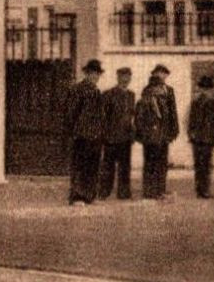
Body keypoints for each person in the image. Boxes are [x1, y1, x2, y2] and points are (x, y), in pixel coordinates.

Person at [64, 59, 108, 205]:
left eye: (97, 74)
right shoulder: (78, 89)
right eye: (93, 73)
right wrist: (75, 131)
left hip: (96, 136)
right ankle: (77, 197)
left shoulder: (97, 91)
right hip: (82, 135)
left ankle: (89, 196)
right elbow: (71, 113)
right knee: (80, 166)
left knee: (93, 165)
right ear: (87, 74)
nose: (95, 76)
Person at [133, 63, 179, 199]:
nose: (162, 76)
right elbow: (141, 117)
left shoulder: (168, 91)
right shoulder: (147, 94)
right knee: (150, 162)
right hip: (151, 135)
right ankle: (149, 191)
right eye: (159, 73)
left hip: (163, 133)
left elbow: (172, 113)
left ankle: (160, 190)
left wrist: (174, 130)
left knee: (162, 163)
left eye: (164, 73)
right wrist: (143, 134)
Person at [97, 67, 136, 199]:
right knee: (108, 166)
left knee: (125, 166)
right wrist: (105, 134)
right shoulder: (108, 94)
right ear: (118, 77)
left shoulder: (131, 95)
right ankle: (104, 192)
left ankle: (124, 193)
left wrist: (132, 133)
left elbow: (131, 116)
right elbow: (102, 116)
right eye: (123, 76)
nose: (126, 79)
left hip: (126, 137)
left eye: (128, 76)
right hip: (111, 137)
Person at [187, 74, 214, 199]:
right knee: (200, 165)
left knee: (206, 165)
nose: (207, 92)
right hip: (198, 139)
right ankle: (200, 190)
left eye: (208, 89)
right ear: (202, 89)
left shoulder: (212, 104)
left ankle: (204, 189)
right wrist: (191, 134)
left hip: (208, 139)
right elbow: (191, 121)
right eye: (205, 89)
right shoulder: (196, 103)